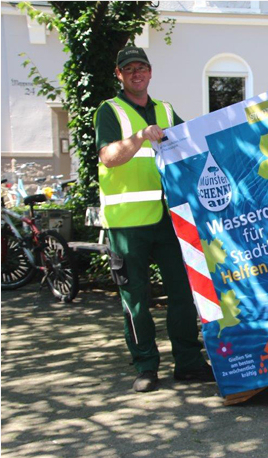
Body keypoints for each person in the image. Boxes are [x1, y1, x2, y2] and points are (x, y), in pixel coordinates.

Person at [94, 46, 214, 392]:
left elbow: (187, 150)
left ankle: (189, 363)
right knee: (136, 300)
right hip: (127, 223)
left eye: (141, 67)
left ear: (150, 71)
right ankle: (146, 366)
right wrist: (140, 136)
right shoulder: (109, 110)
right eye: (128, 69)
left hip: (168, 221)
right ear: (119, 74)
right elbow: (108, 157)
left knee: (181, 293)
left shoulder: (165, 109)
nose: (136, 73)